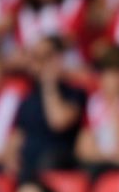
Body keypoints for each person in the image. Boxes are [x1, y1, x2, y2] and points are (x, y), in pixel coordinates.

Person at [11, 37, 87, 181]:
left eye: (47, 56)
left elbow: (58, 122)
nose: (41, 62)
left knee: (46, 163)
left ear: (59, 58)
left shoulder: (75, 92)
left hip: (57, 160)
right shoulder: (28, 97)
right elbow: (17, 135)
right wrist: (11, 158)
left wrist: (49, 84)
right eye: (36, 57)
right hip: (28, 164)